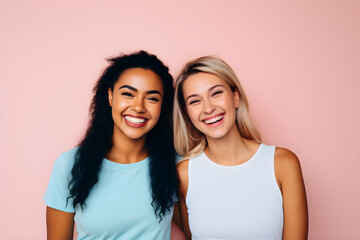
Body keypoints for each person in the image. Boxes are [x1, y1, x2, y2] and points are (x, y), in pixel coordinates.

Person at [44, 51, 178, 240]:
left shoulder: (176, 165)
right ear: (110, 96)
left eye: (152, 98)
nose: (139, 107)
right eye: (128, 94)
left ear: (162, 105)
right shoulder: (69, 165)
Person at [173, 56, 308, 240]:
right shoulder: (184, 173)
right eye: (195, 101)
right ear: (187, 114)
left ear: (235, 98)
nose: (208, 108)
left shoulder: (283, 163)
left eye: (216, 93)